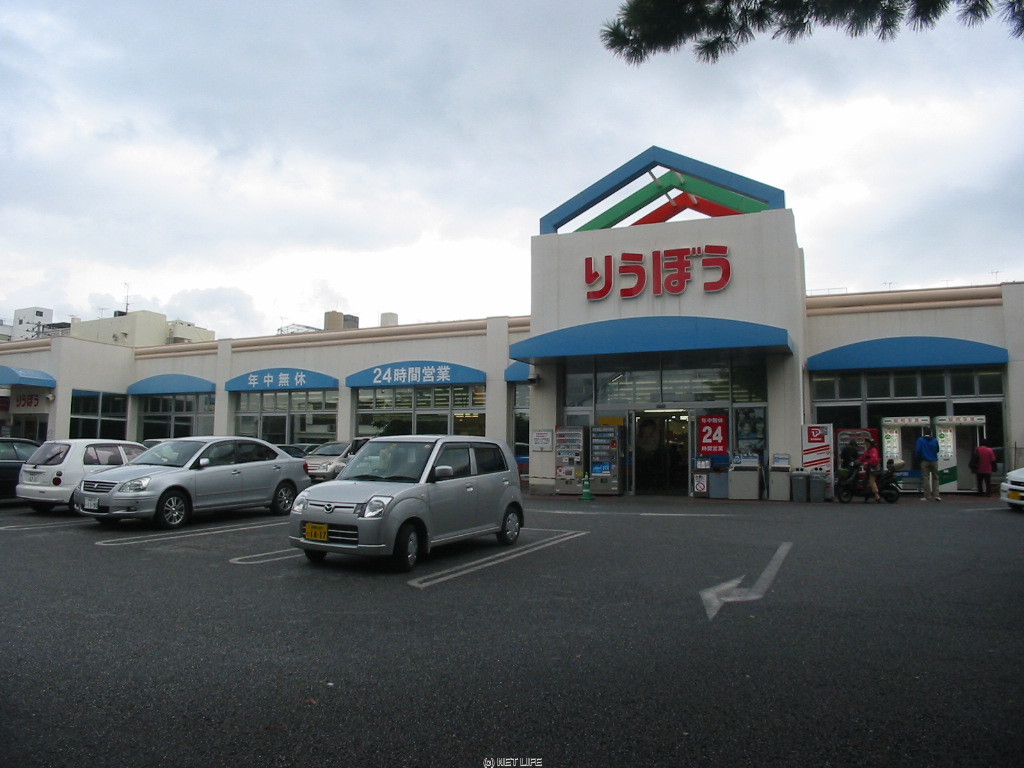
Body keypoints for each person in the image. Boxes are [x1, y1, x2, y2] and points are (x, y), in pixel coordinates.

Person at [915, 429, 941, 502]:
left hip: (924, 461)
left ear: (924, 433)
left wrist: (919, 458)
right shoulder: (935, 440)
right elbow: (937, 450)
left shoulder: (920, 440)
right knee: (935, 478)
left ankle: (927, 496)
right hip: (934, 461)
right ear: (931, 433)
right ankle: (936, 495)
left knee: (925, 478)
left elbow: (918, 450)